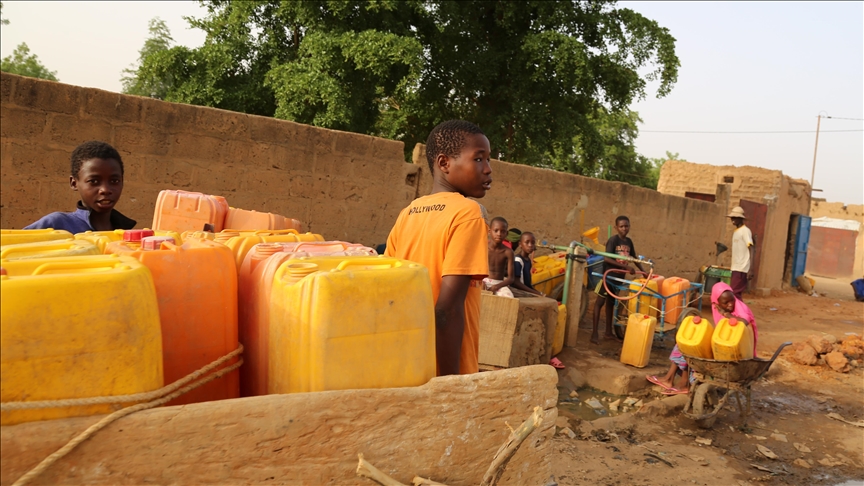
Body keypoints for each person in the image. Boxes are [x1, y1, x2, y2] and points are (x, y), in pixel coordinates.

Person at [385, 120, 492, 376]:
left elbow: (388, 292)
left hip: (407, 362)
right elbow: (446, 310)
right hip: (443, 368)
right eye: (479, 159)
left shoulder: (408, 213)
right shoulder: (468, 214)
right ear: (444, 163)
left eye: (489, 160)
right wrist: (450, 384)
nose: (488, 169)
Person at [25, 141, 136, 233]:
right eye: (94, 181)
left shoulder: (126, 234)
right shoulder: (56, 225)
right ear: (74, 183)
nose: (105, 190)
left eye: (114, 181)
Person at [591, 215, 645, 344]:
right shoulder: (613, 241)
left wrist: (643, 271)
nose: (624, 228)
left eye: (626, 226)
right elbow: (607, 258)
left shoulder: (629, 242)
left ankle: (608, 333)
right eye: (621, 226)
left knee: (611, 304)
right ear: (616, 227)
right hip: (608, 277)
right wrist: (625, 266)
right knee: (600, 302)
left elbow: (634, 256)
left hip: (618, 279)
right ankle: (594, 334)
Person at [483, 216, 515, 298]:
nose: (499, 234)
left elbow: (511, 278)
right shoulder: (483, 248)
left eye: (502, 231)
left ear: (506, 234)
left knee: (509, 298)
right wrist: (480, 282)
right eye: (496, 230)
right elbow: (474, 268)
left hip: (500, 284)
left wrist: (496, 286)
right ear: (489, 231)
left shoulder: (508, 252)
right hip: (483, 281)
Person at [728, 206, 754, 300]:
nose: (733, 220)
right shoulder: (736, 232)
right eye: (732, 217)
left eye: (735, 217)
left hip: (742, 268)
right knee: (736, 295)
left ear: (740, 218)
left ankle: (740, 313)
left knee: (734, 293)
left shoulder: (745, 231)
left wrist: (751, 268)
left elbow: (752, 248)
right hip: (736, 267)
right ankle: (740, 313)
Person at [512, 232, 543, 297]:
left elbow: (527, 283)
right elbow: (516, 283)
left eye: (533, 243)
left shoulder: (528, 260)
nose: (530, 245)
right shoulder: (518, 260)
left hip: (525, 291)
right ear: (520, 244)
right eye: (527, 242)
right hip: (518, 292)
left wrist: (537, 292)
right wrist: (536, 293)